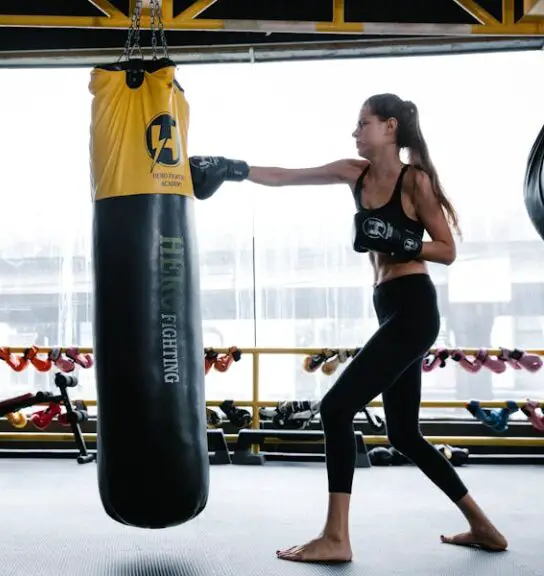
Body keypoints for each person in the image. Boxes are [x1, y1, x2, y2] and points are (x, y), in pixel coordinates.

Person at [188, 93, 508, 562]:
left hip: (415, 308)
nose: (355, 132)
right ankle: (484, 527)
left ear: (390, 127)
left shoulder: (414, 181)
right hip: (390, 306)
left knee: (335, 408)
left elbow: (446, 249)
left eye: (363, 123)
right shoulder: (353, 173)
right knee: (403, 434)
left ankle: (336, 537)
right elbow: (287, 177)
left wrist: (402, 239)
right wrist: (236, 168)